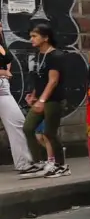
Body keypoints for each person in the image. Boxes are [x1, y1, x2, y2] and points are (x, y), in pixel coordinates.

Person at [19, 23, 70, 179]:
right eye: (31, 36)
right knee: (28, 128)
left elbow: (53, 81)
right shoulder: (39, 55)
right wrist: (34, 95)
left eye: (35, 36)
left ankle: (61, 166)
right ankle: (39, 162)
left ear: (46, 37)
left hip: (53, 100)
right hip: (41, 98)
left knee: (49, 133)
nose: (31, 39)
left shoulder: (56, 56)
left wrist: (41, 100)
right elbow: (40, 79)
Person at [0, 24, 34, 172]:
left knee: (18, 122)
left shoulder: (1, 41)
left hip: (2, 87)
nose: (0, 26)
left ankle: (25, 164)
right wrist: (2, 72)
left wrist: (6, 70)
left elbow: (7, 59)